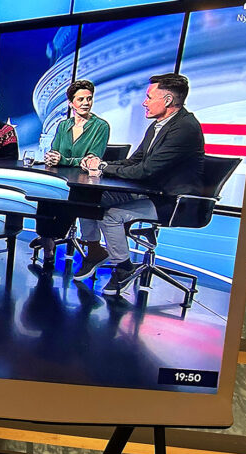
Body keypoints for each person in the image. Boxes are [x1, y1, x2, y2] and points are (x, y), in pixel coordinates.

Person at [77, 73, 205, 296]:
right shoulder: (160, 125)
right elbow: (136, 160)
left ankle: (124, 268)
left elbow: (146, 170)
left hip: (171, 200)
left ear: (166, 100)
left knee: (111, 215)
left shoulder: (185, 128)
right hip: (148, 191)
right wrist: (102, 163)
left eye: (149, 97)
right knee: (87, 198)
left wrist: (104, 168)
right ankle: (94, 251)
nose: (144, 102)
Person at [31, 80, 111, 269]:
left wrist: (64, 160)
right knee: (45, 197)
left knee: (68, 200)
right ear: (71, 103)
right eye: (81, 99)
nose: (86, 103)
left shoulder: (100, 126)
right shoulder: (62, 125)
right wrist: (51, 158)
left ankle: (55, 237)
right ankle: (47, 244)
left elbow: (92, 159)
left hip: (84, 182)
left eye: (89, 99)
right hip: (60, 178)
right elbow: (55, 150)